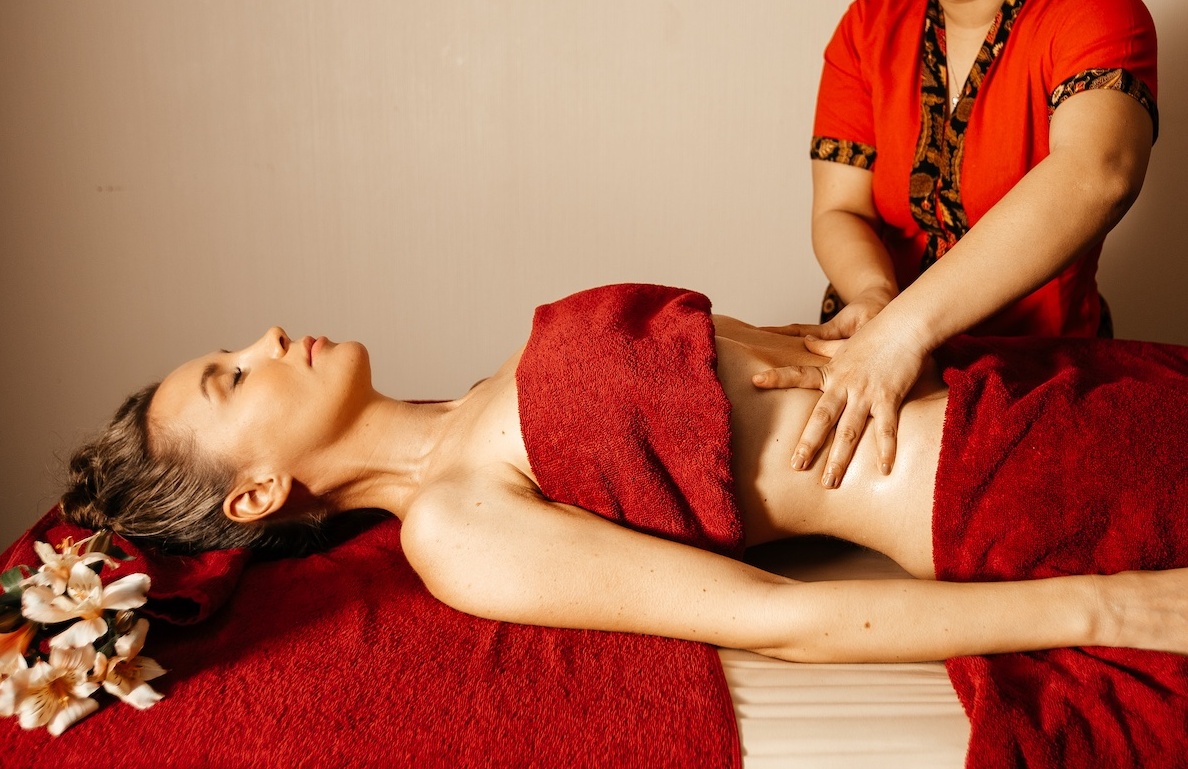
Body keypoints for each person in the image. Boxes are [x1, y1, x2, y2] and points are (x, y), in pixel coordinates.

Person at [58, 283, 1188, 667]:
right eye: (232, 375)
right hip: (1011, 477)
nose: (265, 337)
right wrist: (1110, 610)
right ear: (256, 494)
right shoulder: (452, 530)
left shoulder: (485, 394)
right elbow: (774, 618)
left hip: (1024, 383)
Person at [755, 0, 1159, 489]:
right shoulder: (870, 21)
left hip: (1033, 371)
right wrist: (874, 296)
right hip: (871, 349)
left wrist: (903, 331)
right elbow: (840, 210)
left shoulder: (1096, 10)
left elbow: (1099, 173)